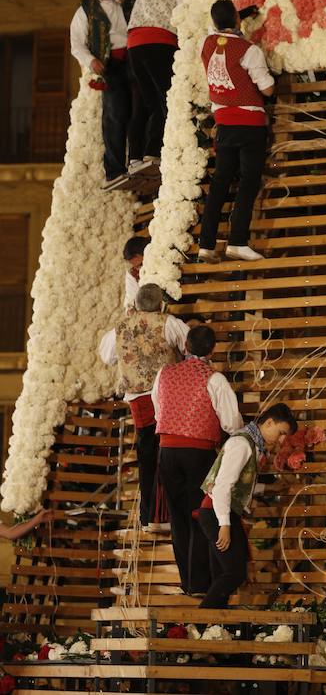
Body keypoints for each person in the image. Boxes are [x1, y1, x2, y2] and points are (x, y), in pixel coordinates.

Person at [151, 325, 243, 596]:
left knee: (179, 518)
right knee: (200, 515)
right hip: (199, 452)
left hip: (166, 450)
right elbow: (231, 422)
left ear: (185, 347)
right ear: (212, 350)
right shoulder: (214, 379)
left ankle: (187, 582)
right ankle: (200, 584)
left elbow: (158, 410)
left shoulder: (164, 373)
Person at [99, 283, 189, 530]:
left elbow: (106, 356)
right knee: (171, 453)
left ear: (136, 305)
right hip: (169, 398)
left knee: (147, 457)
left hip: (140, 402)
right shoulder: (169, 323)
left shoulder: (119, 328)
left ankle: (149, 516)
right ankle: (169, 515)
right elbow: (190, 349)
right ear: (160, 304)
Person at [196, 402, 296, 608]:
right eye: (282, 432)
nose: (282, 439)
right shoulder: (242, 444)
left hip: (221, 511)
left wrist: (269, 489)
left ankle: (210, 630)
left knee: (222, 575)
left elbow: (240, 483)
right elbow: (223, 486)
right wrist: (224, 524)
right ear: (269, 423)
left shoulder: (253, 445)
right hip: (217, 511)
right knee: (233, 574)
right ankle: (198, 623)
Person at [198, 0, 275, 263]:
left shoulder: (206, 43)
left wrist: (235, 19)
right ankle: (237, 242)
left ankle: (206, 244)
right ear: (238, 21)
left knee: (220, 182)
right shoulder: (248, 50)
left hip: (224, 124)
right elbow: (267, 89)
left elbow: (219, 33)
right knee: (248, 181)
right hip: (250, 123)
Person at [70, 0, 136, 186]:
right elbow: (76, 44)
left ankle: (138, 160)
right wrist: (91, 61)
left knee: (141, 108)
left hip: (135, 58)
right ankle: (115, 171)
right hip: (110, 64)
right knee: (115, 115)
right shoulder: (85, 10)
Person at [126, 0, 187, 169]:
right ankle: (153, 152)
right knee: (166, 99)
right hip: (158, 41)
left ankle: (134, 156)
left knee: (145, 101)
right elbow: (184, 11)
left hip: (134, 44)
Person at [123, 235, 149, 309]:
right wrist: (130, 309)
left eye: (141, 264)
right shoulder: (133, 273)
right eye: (136, 266)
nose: (139, 269)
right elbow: (131, 298)